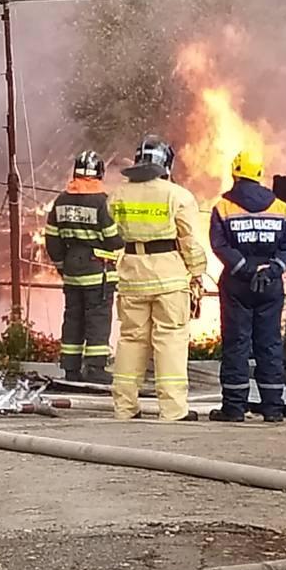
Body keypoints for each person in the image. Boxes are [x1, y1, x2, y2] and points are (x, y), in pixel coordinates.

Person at [108, 136, 206, 422]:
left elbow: (112, 235)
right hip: (169, 278)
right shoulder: (178, 195)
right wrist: (197, 273)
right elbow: (188, 241)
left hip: (131, 275)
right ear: (166, 163)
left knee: (130, 339)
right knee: (170, 340)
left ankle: (125, 407)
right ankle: (174, 410)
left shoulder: (118, 194)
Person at [207, 150, 286, 423]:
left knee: (236, 344)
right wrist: (272, 270)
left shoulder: (223, 207)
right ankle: (273, 409)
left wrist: (246, 270)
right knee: (270, 343)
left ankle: (234, 409)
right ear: (259, 175)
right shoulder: (281, 208)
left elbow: (219, 244)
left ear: (235, 173)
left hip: (237, 283)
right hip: (270, 284)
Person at [44, 150, 125, 385]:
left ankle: (70, 369)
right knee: (98, 319)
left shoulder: (61, 200)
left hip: (72, 269)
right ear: (99, 173)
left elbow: (52, 238)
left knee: (73, 319)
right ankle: (96, 368)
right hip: (97, 270)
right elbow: (113, 239)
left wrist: (61, 265)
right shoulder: (102, 202)